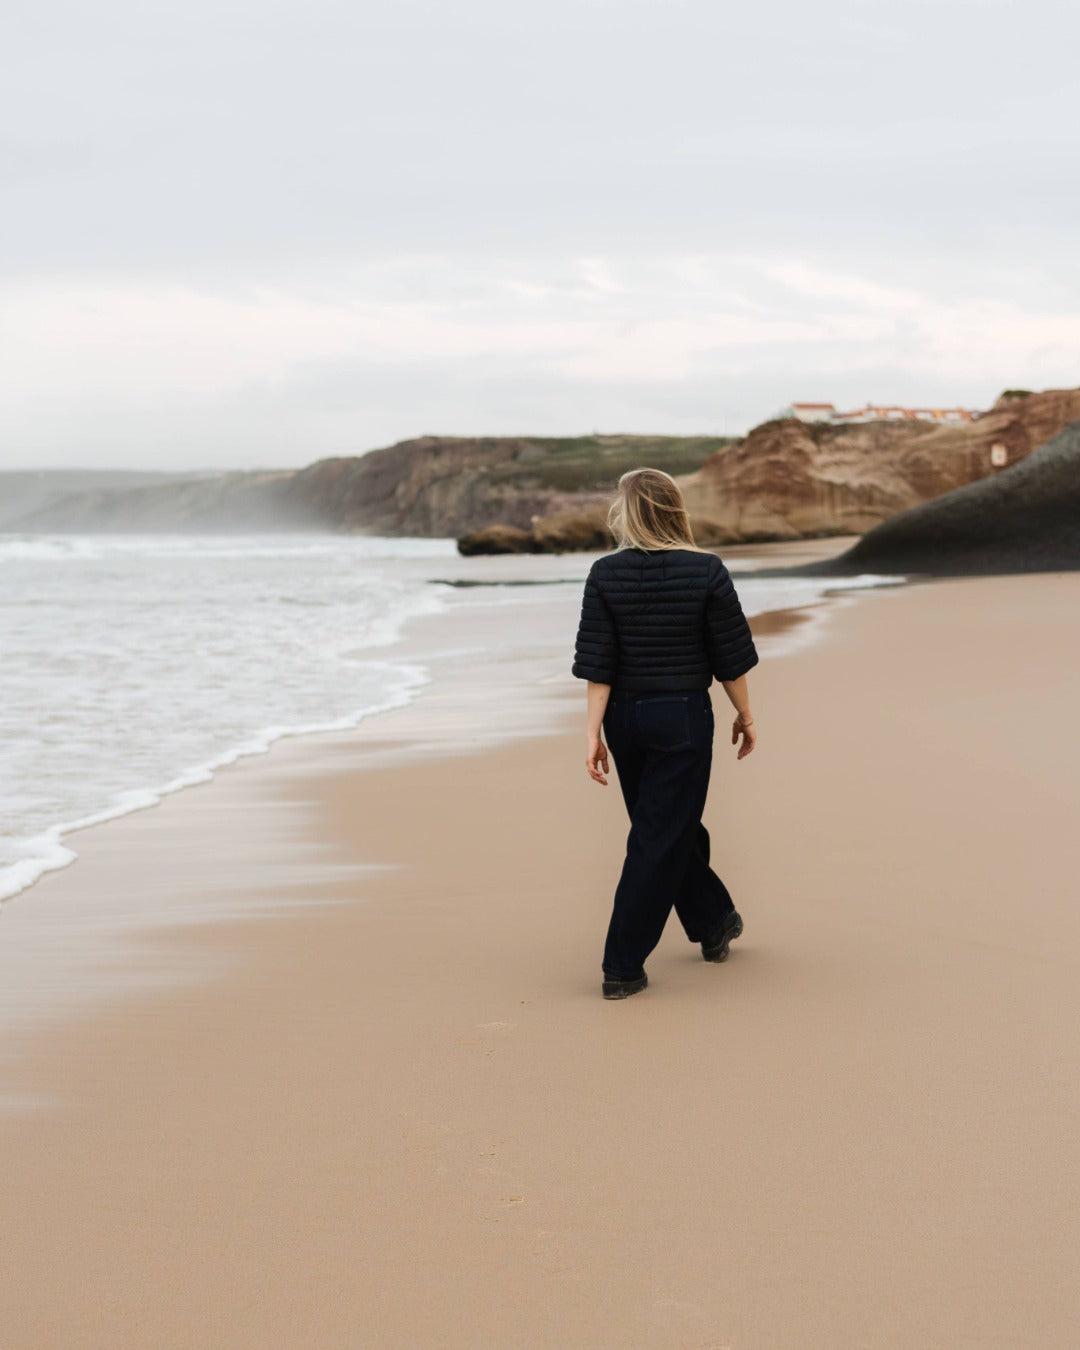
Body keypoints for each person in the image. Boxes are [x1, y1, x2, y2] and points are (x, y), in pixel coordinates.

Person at [571, 467, 759, 1000]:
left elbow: (598, 664)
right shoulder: (707, 570)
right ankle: (622, 965)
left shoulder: (604, 573)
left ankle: (715, 919)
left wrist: (593, 733)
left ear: (625, 513)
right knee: (661, 834)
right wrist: (746, 715)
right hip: (681, 716)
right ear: (675, 508)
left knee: (668, 827)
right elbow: (731, 658)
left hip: (625, 719)